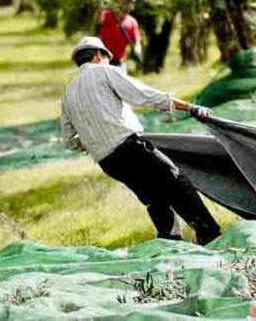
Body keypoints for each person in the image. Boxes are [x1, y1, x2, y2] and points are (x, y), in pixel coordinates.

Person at [61, 36, 222, 245]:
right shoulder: (104, 71)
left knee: (155, 196)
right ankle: (211, 235)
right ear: (97, 55)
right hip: (129, 148)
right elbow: (143, 96)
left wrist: (95, 140)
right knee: (176, 182)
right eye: (106, 57)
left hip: (107, 162)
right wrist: (190, 108)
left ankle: (171, 241)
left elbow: (69, 140)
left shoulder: (68, 92)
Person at [96, 0, 143, 72]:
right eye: (121, 4)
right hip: (103, 61)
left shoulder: (132, 22)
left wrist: (137, 48)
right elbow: (97, 20)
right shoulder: (107, 15)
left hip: (119, 63)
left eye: (127, 5)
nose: (123, 6)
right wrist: (101, 7)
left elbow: (137, 40)